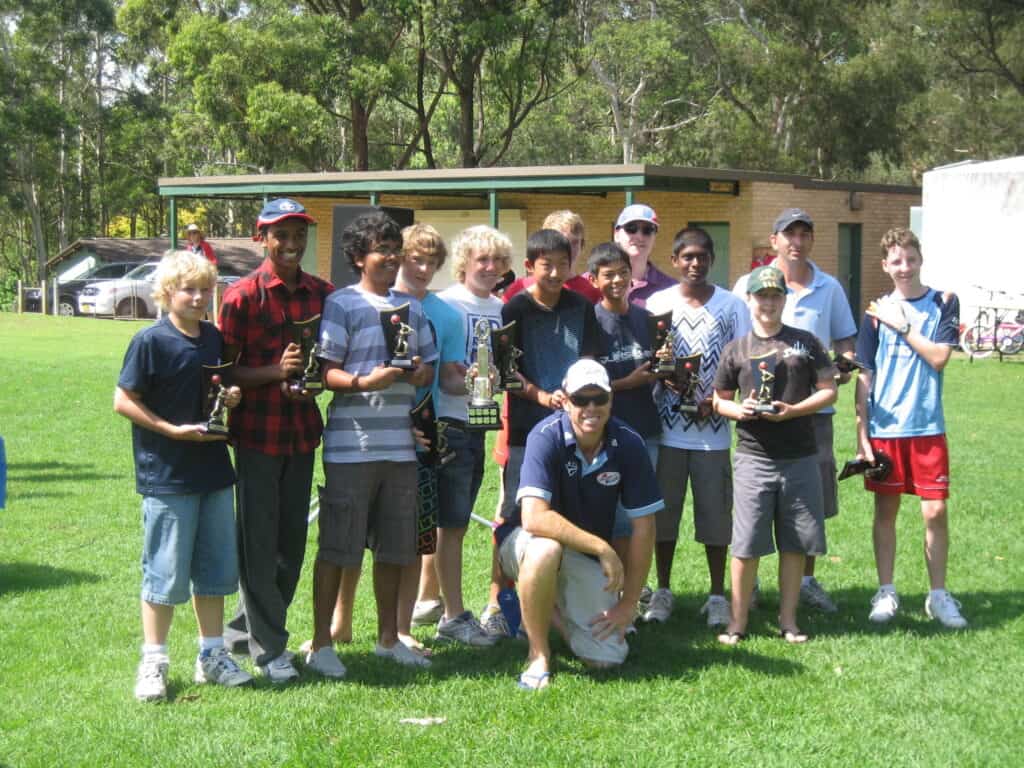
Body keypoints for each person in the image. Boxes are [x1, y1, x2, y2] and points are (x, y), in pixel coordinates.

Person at [321, 224, 464, 659]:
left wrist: (417, 371)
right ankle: (324, 643)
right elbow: (326, 372)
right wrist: (368, 380)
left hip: (402, 447)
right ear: (358, 257)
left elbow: (427, 370)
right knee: (338, 548)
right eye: (380, 250)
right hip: (351, 445)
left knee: (396, 549)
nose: (389, 258)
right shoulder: (340, 303)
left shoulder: (412, 309)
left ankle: (388, 639)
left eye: (393, 250)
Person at [115, 250, 251, 702]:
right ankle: (153, 660)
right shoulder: (150, 341)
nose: (197, 297)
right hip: (168, 474)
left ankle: (211, 655)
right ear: (167, 292)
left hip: (214, 470)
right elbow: (123, 400)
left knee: (215, 571)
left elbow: (219, 390)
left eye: (204, 289)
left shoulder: (213, 339)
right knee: (165, 572)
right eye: (188, 289)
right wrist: (170, 429)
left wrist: (229, 399)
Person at [219, 198, 334, 683]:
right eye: (281, 235)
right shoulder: (242, 296)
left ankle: (242, 633)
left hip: (302, 434)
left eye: (298, 235)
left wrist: (322, 377)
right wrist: (273, 372)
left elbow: (328, 359)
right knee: (258, 542)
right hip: (256, 438)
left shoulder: (322, 293)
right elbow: (223, 372)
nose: (291, 244)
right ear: (261, 237)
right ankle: (270, 649)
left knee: (291, 544)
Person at [495, 359, 663, 689]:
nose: (591, 408)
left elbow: (645, 526)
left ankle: (548, 609)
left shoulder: (629, 443)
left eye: (599, 399)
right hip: (526, 542)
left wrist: (629, 604)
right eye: (580, 399)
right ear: (566, 400)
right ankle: (538, 654)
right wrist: (602, 548)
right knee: (546, 549)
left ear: (611, 400)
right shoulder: (545, 436)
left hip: (579, 556)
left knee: (606, 658)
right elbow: (534, 517)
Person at [732, 208, 857, 614]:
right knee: (755, 506)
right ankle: (748, 588)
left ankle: (806, 580)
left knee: (810, 502)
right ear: (774, 240)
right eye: (789, 234)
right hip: (757, 419)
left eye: (805, 234)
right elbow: (737, 346)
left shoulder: (830, 287)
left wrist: (841, 369)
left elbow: (845, 342)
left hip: (812, 416)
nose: (797, 242)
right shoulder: (746, 286)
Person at [481, 229, 601, 637]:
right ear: (530, 267)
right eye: (545, 264)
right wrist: (541, 395)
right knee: (515, 519)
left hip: (576, 430)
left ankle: (564, 603)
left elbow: (589, 362)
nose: (554, 272)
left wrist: (573, 398)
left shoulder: (582, 308)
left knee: (570, 515)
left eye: (562, 263)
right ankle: (498, 604)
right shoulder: (513, 309)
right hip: (526, 432)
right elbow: (503, 372)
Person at [713, 265, 837, 644]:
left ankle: (788, 620)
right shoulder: (737, 348)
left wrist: (795, 410)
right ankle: (737, 623)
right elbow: (720, 401)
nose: (768, 302)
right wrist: (742, 411)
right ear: (749, 300)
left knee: (795, 541)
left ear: (784, 299)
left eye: (775, 295)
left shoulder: (805, 342)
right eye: (761, 295)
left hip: (800, 455)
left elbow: (829, 389)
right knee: (746, 543)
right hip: (754, 456)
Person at [855, 229, 967, 629]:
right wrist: (861, 431)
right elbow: (864, 374)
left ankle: (938, 595)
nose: (904, 267)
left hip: (926, 427)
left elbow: (939, 357)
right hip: (886, 427)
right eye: (896, 261)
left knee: (935, 510)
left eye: (910, 259)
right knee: (885, 511)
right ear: (885, 265)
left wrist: (903, 327)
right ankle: (886, 591)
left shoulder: (944, 302)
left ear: (920, 259)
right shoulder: (874, 311)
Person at [643, 227, 751, 627]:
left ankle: (718, 594)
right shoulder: (659, 302)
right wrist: (664, 375)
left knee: (715, 516)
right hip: (667, 431)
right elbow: (653, 358)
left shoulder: (732, 305)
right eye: (686, 256)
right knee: (664, 516)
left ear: (712, 260)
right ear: (674, 261)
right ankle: (664, 589)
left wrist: (719, 400)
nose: (694, 263)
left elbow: (743, 361)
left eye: (702, 256)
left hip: (713, 431)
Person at [411, 226, 511, 646]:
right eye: (481, 260)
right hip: (446, 422)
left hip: (479, 425)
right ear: (464, 263)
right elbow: (443, 375)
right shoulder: (447, 305)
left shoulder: (503, 309)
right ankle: (452, 613)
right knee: (449, 524)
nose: (490, 268)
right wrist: (467, 380)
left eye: (498, 261)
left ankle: (435, 604)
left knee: (455, 523)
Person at [586, 242, 661, 566]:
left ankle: (634, 590)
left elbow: (662, 370)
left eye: (623, 273)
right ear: (593, 280)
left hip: (646, 429)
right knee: (608, 513)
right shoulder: (589, 322)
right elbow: (586, 384)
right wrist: (627, 383)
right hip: (604, 431)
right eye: (608, 275)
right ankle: (606, 588)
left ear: (633, 276)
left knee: (639, 513)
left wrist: (666, 372)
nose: (617, 280)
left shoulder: (648, 320)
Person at [504, 210, 601, 303]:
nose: (568, 249)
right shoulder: (520, 288)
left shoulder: (591, 292)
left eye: (574, 243)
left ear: (582, 245)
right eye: (561, 243)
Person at [611, 204, 674, 308]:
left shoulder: (670, 288)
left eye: (647, 230)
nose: (639, 236)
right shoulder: (591, 283)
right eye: (631, 228)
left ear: (655, 237)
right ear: (616, 235)